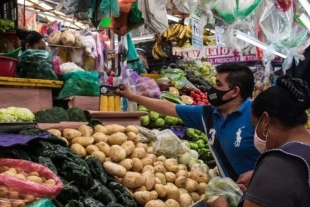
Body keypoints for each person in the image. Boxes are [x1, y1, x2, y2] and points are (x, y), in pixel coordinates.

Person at [117, 63, 260, 184]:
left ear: (234, 91)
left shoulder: (259, 116)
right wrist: (133, 97)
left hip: (263, 194)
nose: (213, 89)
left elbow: (281, 156)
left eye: (218, 84)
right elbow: (169, 107)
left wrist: (255, 174)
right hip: (236, 194)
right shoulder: (208, 114)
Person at [207, 75, 310, 207]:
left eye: (255, 126)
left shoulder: (278, 166)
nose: (256, 133)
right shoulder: (297, 157)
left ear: (266, 120)